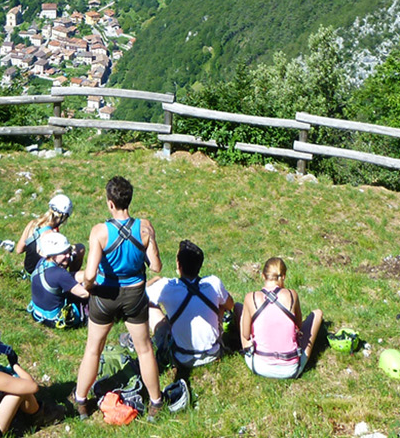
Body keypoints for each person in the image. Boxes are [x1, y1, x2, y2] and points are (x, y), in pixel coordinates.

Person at [72, 176, 163, 420]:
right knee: (144, 350)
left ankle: (81, 401)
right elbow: (156, 267)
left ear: (110, 203)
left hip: (105, 296)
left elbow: (90, 273)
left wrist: (88, 286)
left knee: (93, 349)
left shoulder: (100, 231)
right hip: (134, 294)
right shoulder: (144, 227)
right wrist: (150, 240)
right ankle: (156, 402)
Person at [147, 240, 235, 372]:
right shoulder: (213, 283)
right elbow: (230, 305)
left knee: (150, 307)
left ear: (179, 264)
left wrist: (155, 279)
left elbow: (138, 297)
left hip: (182, 358)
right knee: (220, 303)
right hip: (213, 353)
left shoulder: (166, 286)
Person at [240, 257, 323, 379]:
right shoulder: (291, 295)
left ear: (263, 276)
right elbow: (299, 326)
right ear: (283, 276)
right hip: (291, 369)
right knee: (317, 313)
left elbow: (246, 335)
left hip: (259, 366)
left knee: (241, 311)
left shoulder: (251, 298)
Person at [28, 231, 89, 329]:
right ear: (53, 254)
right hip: (56, 319)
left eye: (68, 251)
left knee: (80, 276)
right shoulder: (60, 274)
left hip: (38, 313)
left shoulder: (42, 262)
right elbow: (84, 294)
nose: (68, 256)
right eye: (64, 253)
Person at [18, 194, 73, 274]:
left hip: (28, 270)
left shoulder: (32, 224)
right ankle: (71, 278)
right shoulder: (53, 235)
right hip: (42, 273)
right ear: (63, 217)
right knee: (77, 250)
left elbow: (19, 250)